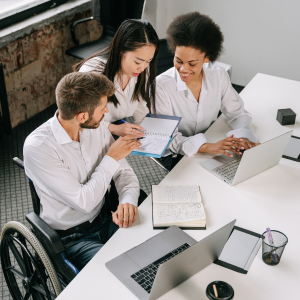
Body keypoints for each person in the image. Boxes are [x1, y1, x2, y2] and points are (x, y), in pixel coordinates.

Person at [23, 72, 143, 271]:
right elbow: (84, 203)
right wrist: (111, 157)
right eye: (102, 107)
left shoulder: (97, 127)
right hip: (71, 238)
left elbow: (124, 173)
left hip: (106, 219)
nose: (106, 111)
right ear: (82, 116)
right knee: (118, 274)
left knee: (147, 253)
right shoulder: (38, 148)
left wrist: (127, 201)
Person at [155, 12, 259, 170]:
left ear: (206, 58)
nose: (183, 69)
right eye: (178, 61)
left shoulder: (218, 75)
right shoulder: (161, 87)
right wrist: (205, 147)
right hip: (178, 152)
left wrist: (242, 137)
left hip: (211, 142)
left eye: (192, 63)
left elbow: (237, 113)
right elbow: (167, 137)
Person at [74, 19, 160, 139]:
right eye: (137, 61)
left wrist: (147, 133)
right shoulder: (92, 73)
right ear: (121, 50)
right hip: (86, 133)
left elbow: (140, 107)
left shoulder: (142, 69)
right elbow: (81, 120)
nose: (143, 67)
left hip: (114, 129)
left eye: (148, 61)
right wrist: (114, 129)